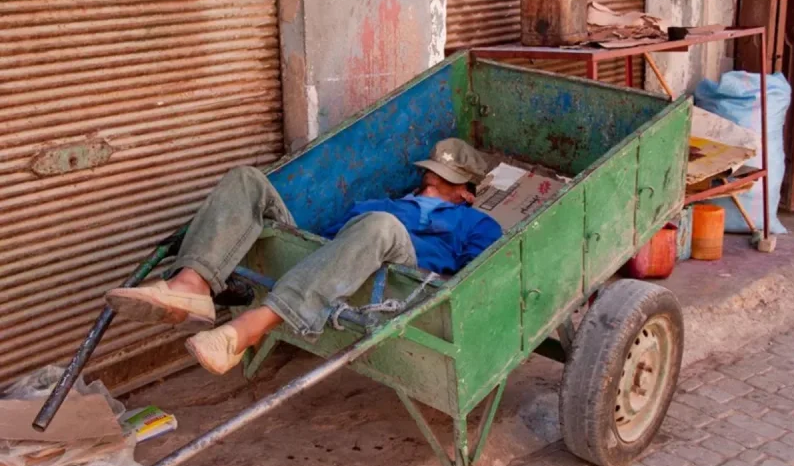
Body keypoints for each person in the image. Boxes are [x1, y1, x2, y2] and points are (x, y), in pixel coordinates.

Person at [105, 138, 502, 375]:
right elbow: (325, 242)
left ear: (467, 192)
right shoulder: (385, 202)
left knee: (381, 226)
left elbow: (474, 278)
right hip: (337, 262)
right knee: (247, 178)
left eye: (445, 182)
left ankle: (252, 326)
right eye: (430, 175)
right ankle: (190, 284)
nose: (432, 183)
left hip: (405, 274)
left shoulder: (475, 223)